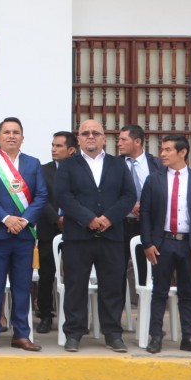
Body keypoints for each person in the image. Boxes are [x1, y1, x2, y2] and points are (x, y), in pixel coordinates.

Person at [55, 119, 137, 353]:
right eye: (85, 133)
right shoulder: (68, 165)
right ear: (78, 139)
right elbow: (63, 196)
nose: (90, 136)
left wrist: (109, 218)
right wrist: (89, 218)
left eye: (96, 133)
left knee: (112, 286)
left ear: (104, 138)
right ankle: (74, 333)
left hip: (111, 236)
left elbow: (129, 196)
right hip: (78, 237)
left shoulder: (118, 165)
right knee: (75, 286)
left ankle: (112, 333)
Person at [0, 117, 47, 352]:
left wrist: (24, 220)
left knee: (22, 286)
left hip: (24, 235)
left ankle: (21, 334)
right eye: (6, 132)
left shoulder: (33, 163)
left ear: (23, 137)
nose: (11, 136)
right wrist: (6, 218)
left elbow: (41, 197)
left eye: (16, 132)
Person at [140, 135, 191, 355]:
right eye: (162, 149)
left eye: (168, 150)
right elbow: (145, 213)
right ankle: (155, 336)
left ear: (182, 153)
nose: (162, 154)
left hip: (189, 244)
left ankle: (189, 337)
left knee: (188, 293)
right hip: (162, 243)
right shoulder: (154, 179)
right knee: (159, 292)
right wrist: (147, 242)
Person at [35, 131, 76, 334]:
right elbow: (40, 197)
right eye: (53, 145)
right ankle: (44, 315)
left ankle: (74, 317)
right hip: (48, 229)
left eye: (59, 146)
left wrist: (70, 218)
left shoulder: (80, 170)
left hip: (75, 228)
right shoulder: (43, 171)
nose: (53, 149)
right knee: (46, 274)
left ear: (71, 150)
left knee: (75, 274)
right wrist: (56, 218)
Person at [118, 124, 164, 292]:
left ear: (137, 141)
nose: (119, 143)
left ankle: (147, 314)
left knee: (147, 271)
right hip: (121, 224)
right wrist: (130, 205)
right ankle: (115, 315)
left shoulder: (157, 165)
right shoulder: (114, 165)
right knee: (116, 272)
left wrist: (145, 207)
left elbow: (162, 193)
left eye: (123, 140)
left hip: (148, 226)